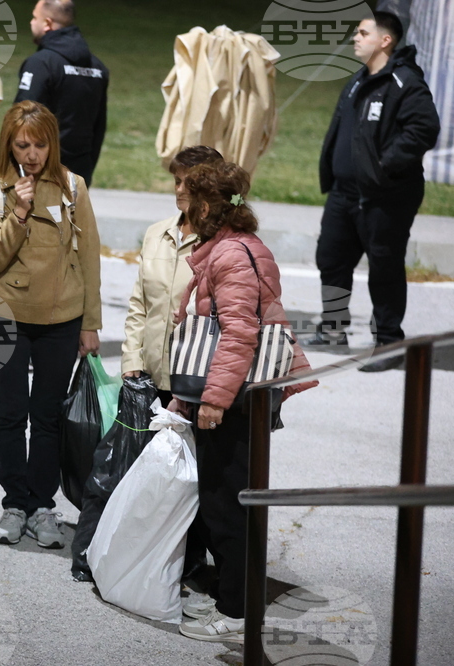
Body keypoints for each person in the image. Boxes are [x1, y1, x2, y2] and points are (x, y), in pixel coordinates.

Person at [168, 161, 317, 642]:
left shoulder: (230, 254)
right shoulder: (239, 247)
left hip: (234, 397)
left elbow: (238, 334)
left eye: (185, 194)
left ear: (206, 206)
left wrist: (212, 399)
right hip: (240, 394)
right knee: (229, 498)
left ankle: (235, 611)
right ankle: (230, 594)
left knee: (227, 502)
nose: (179, 201)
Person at [0, 100, 101, 549]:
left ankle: (41, 505)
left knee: (47, 416)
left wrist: (91, 323)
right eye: (22, 144)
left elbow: (89, 259)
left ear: (52, 144)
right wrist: (19, 213)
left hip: (59, 318)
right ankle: (14, 502)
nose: (31, 154)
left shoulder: (72, 186)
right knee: (9, 412)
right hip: (0, 314)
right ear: (9, 144)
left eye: (40, 145)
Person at [307, 11, 440, 371]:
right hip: (344, 193)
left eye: (363, 32)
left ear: (386, 40)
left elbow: (424, 129)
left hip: (384, 195)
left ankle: (388, 343)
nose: (356, 37)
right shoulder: (358, 79)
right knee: (331, 258)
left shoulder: (404, 82)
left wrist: (384, 166)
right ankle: (334, 328)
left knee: (383, 267)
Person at [118, 145, 222, 584]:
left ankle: (189, 563)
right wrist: (131, 359)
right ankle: (147, 561)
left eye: (186, 182)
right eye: (175, 180)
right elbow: (140, 303)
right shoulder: (157, 233)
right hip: (150, 380)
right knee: (151, 479)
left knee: (192, 481)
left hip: (192, 384)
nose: (177, 190)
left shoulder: (219, 244)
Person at [14, 0, 108, 187]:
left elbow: (21, 121)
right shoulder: (98, 68)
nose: (31, 22)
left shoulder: (40, 64)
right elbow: (99, 127)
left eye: (35, 17)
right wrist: (86, 172)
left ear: (47, 24)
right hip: (79, 175)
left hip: (38, 175)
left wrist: (18, 172)